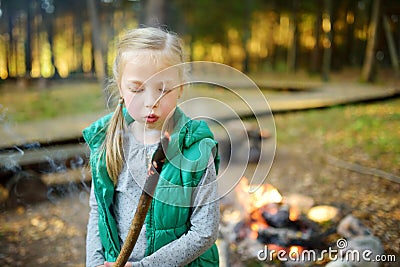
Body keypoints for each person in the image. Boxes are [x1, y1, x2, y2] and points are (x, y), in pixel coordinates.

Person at [83, 27, 220, 267]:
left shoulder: (196, 149)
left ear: (181, 87)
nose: (150, 103)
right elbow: (99, 212)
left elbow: (204, 232)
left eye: (163, 90)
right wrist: (95, 263)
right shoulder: (109, 141)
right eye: (137, 89)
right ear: (121, 88)